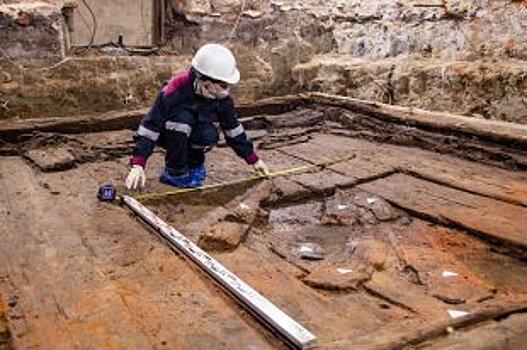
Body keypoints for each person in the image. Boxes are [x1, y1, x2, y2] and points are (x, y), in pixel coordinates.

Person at [125, 43, 269, 190]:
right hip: (169, 134)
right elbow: (150, 126)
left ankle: (194, 164)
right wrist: (138, 163)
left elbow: (233, 130)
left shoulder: (222, 98)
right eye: (224, 85)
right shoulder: (174, 90)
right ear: (206, 83)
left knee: (209, 134)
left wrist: (254, 160)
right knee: (182, 122)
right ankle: (174, 172)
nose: (227, 91)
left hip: (193, 130)